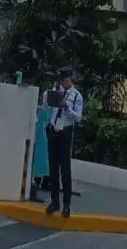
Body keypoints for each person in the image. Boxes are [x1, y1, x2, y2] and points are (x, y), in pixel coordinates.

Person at [45, 65, 83, 218]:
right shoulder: (57, 92)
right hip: (53, 130)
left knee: (65, 170)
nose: (62, 82)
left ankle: (66, 204)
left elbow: (78, 117)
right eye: (61, 79)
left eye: (64, 79)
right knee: (53, 169)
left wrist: (66, 107)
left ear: (69, 78)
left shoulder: (76, 96)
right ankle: (54, 202)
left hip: (66, 132)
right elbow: (50, 109)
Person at [30, 93, 50, 201]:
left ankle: (45, 182)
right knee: (39, 159)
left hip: (46, 137)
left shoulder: (51, 110)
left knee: (47, 160)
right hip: (39, 138)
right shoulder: (39, 109)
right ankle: (37, 181)